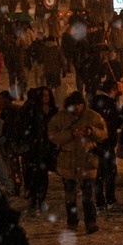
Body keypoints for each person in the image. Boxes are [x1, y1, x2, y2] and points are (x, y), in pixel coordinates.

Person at [48, 90, 108, 233]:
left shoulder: (93, 117)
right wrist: (70, 134)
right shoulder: (60, 118)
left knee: (88, 195)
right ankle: (72, 222)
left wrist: (90, 131)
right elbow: (53, 135)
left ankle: (90, 222)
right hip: (68, 161)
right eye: (74, 105)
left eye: (79, 105)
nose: (77, 108)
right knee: (70, 196)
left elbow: (103, 133)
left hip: (87, 160)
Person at [90, 77, 123, 211]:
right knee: (109, 173)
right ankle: (110, 199)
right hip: (107, 142)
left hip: (95, 142)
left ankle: (99, 201)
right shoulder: (110, 103)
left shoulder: (94, 102)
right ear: (112, 90)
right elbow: (117, 121)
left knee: (98, 174)